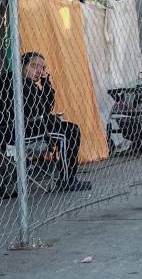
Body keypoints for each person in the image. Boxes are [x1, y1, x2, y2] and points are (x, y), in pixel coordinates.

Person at [21, 52, 91, 192]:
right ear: (22, 66)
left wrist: (45, 82)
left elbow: (46, 106)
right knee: (68, 132)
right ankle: (67, 179)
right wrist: (52, 119)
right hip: (25, 130)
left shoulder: (32, 85)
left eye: (42, 68)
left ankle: (67, 177)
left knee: (71, 128)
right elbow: (38, 111)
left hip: (37, 126)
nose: (39, 71)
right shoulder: (20, 85)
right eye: (34, 66)